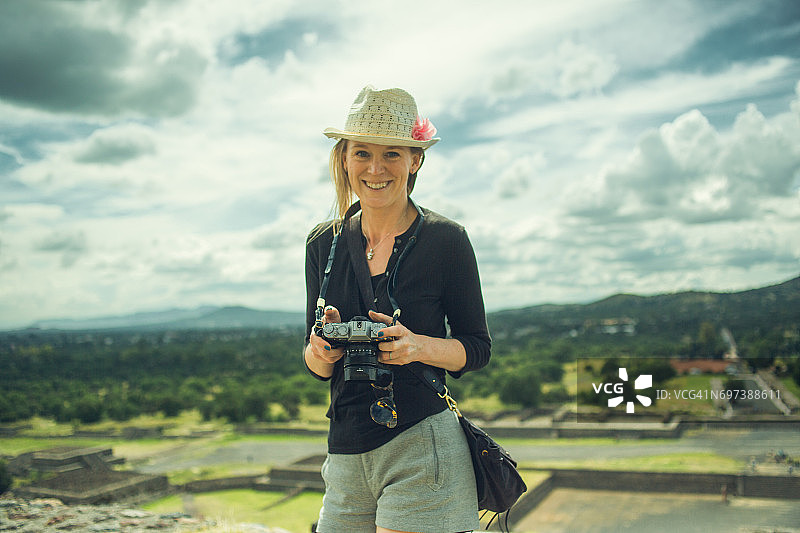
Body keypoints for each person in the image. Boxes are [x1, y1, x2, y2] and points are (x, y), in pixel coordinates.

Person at [303, 86, 491, 533]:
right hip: (345, 451)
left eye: (392, 154)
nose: (375, 168)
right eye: (362, 153)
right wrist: (323, 350)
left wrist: (416, 346)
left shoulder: (447, 240)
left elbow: (477, 348)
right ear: (344, 159)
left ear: (415, 160)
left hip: (422, 442)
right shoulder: (321, 244)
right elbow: (313, 362)